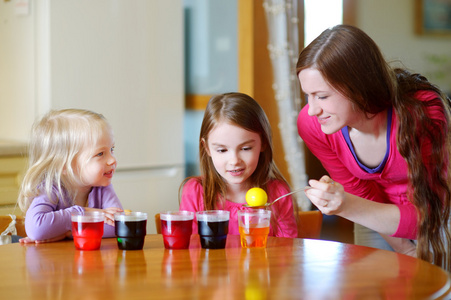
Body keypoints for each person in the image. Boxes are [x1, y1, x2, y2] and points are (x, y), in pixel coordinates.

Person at [296, 24, 451, 270]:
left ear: (357, 86)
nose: (313, 109)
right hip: (373, 216)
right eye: (308, 95)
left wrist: (346, 206)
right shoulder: (312, 124)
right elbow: (360, 192)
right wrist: (404, 248)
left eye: (322, 96)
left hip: (436, 214)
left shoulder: (424, 113)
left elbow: (432, 215)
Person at [179, 92, 298, 237]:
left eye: (246, 148)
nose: (234, 160)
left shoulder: (278, 193)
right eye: (222, 150)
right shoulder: (195, 192)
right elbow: (188, 251)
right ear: (207, 148)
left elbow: (287, 251)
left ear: (263, 143)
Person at [18, 109, 124, 243]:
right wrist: (83, 212)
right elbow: (37, 229)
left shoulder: (103, 188)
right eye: (100, 154)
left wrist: (67, 232)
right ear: (64, 165)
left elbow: (118, 226)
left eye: (112, 149)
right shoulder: (50, 190)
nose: (112, 160)